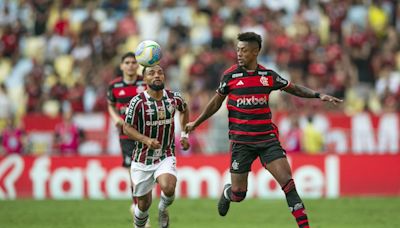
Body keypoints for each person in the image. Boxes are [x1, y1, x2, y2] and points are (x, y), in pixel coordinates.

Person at [185, 32, 343, 228]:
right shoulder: (230, 76)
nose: (238, 54)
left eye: (243, 50)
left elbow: (293, 88)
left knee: (288, 184)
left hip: (267, 140)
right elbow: (215, 103)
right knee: (239, 194)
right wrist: (196, 123)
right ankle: (228, 193)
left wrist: (319, 95)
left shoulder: (267, 76)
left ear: (255, 52)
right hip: (241, 142)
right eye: (237, 50)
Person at [123, 64, 190, 228]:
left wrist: (184, 134)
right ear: (145, 79)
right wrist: (146, 140)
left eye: (160, 72)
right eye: (151, 73)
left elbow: (185, 109)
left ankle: (163, 208)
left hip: (165, 154)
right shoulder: (137, 102)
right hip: (142, 159)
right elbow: (126, 128)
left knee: (168, 187)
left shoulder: (174, 98)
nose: (157, 75)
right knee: (143, 205)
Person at [107, 52, 148, 225]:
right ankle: (138, 209)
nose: (131, 65)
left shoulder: (144, 83)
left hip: (144, 135)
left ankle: (140, 206)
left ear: (137, 65)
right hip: (125, 136)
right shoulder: (114, 86)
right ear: (122, 66)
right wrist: (116, 118)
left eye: (133, 62)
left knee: (145, 174)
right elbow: (110, 104)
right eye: (127, 62)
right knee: (133, 172)